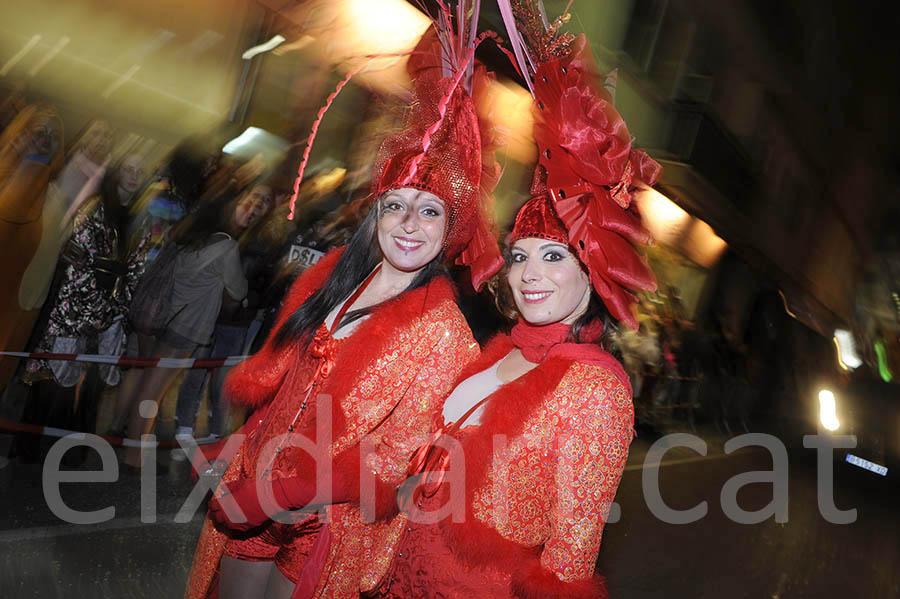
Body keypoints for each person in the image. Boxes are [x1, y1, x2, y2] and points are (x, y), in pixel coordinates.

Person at [305, 5, 663, 598]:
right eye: (520, 255)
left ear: (592, 273)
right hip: (397, 572)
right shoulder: (492, 350)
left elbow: (571, 561)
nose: (529, 274)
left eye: (554, 257)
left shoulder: (597, 390)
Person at [184, 16, 504, 599]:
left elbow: (395, 462)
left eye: (430, 211)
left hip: (327, 520)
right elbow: (283, 384)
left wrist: (281, 494)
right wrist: (236, 448)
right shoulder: (328, 278)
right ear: (375, 212)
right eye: (397, 205)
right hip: (254, 486)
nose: (410, 224)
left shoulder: (446, 334)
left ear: (451, 229)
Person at [117, 190, 252, 470]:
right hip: (187, 327)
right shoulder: (225, 247)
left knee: (148, 385)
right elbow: (238, 289)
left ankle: (130, 443)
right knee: (153, 390)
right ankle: (132, 456)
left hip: (163, 317)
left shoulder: (186, 240)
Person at [172, 182, 275, 445]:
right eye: (255, 196)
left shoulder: (267, 238)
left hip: (237, 319)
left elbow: (264, 279)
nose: (257, 204)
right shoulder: (224, 228)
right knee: (195, 372)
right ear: (243, 196)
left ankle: (217, 431)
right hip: (207, 313)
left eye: (265, 201)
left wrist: (250, 301)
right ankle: (184, 425)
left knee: (223, 379)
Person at [0, 104, 65, 387]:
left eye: (53, 135)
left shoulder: (52, 198)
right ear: (21, 134)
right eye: (39, 130)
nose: (46, 139)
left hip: (15, 312)